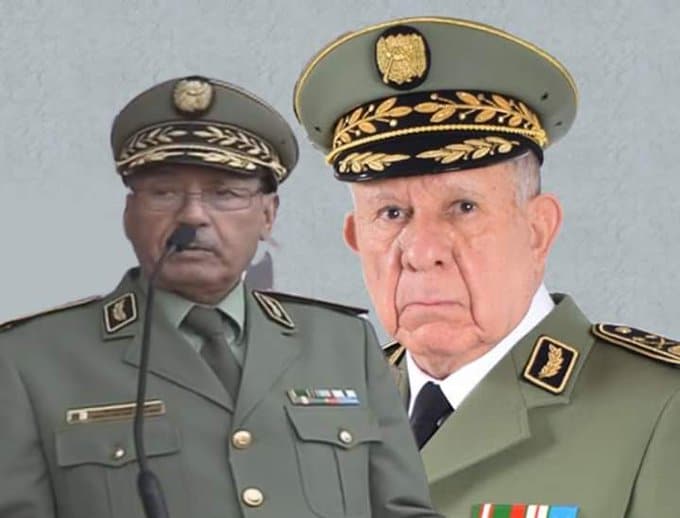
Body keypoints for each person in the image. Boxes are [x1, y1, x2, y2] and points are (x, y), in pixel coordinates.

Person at [0, 76, 440, 518]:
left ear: (268, 215)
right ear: (130, 214)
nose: (192, 215)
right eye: (164, 192)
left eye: (224, 193)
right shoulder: (31, 361)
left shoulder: (343, 344)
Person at [294, 16, 680, 518]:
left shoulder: (660, 411)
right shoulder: (314, 411)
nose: (421, 251)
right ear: (355, 238)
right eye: (391, 213)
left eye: (463, 207)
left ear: (537, 230)